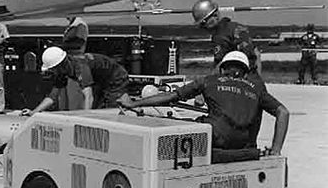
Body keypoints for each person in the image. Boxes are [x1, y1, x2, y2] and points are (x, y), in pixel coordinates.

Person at [118, 51, 289, 154]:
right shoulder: (257, 88)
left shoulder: (208, 81)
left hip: (214, 138)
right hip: (243, 145)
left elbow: (170, 97)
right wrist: (275, 150)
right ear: (245, 73)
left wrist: (134, 104)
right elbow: (283, 112)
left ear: (222, 69)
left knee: (168, 125)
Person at [191, 0, 260, 72]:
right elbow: (256, 55)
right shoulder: (237, 28)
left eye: (203, 23)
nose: (203, 27)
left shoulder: (220, 36)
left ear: (215, 16)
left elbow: (219, 64)